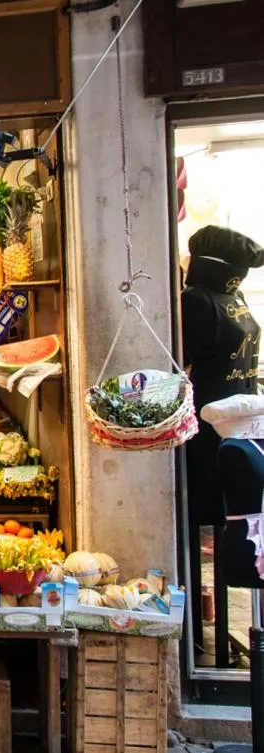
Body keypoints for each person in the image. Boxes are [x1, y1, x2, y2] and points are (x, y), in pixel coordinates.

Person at [181, 225, 264, 663]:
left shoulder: (196, 300)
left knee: (207, 525)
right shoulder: (236, 300)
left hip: (210, 433)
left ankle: (200, 638)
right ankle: (212, 638)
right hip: (240, 432)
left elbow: (182, 362)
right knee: (232, 525)